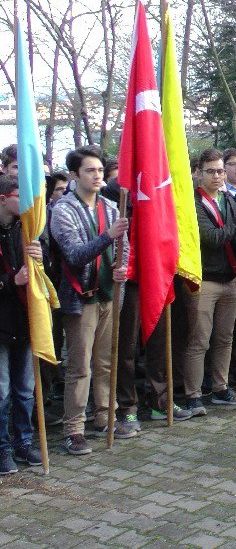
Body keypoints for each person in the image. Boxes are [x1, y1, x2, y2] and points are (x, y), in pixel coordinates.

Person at [50, 146, 130, 454]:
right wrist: (108, 236)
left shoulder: (111, 207)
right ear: (74, 175)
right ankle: (74, 428)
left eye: (100, 171)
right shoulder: (63, 210)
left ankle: (104, 417)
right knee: (80, 366)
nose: (97, 176)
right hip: (80, 297)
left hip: (110, 294)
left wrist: (123, 267)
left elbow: (125, 247)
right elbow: (75, 255)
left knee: (105, 362)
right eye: (90, 171)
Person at [184, 148, 236, 415]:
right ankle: (193, 394)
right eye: (211, 171)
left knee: (225, 338)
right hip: (205, 281)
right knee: (199, 340)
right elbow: (211, 237)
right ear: (199, 173)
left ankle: (220, 388)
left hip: (229, 279)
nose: (217, 176)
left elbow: (234, 237)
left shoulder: (228, 200)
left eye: (220, 171)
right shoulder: (193, 203)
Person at [0, 175, 44, 472]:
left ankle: (24, 442)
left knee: (25, 389)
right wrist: (8, 281)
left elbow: (44, 274)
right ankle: (3, 448)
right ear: (3, 198)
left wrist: (42, 259)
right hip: (1, 325)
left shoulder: (27, 229)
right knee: (1, 391)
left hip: (24, 320)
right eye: (19, 195)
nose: (26, 202)